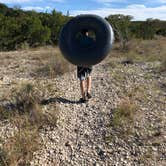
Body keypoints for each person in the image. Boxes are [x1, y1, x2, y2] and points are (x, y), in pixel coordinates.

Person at [77, 29, 94, 103]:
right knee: (89, 75)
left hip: (80, 61)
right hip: (89, 60)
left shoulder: (78, 40)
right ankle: (88, 91)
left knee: (82, 78)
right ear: (87, 33)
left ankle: (84, 98)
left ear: (81, 33)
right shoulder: (91, 39)